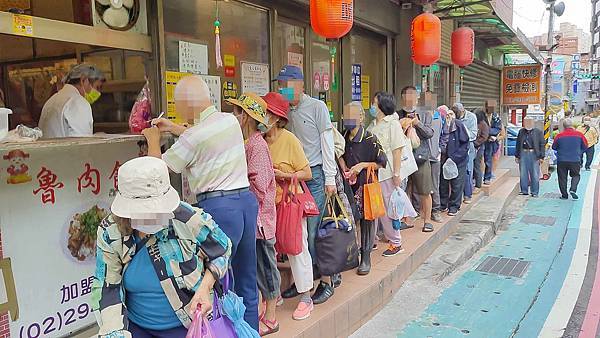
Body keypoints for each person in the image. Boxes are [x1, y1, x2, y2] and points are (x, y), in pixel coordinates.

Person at [143, 75, 259, 330]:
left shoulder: (193, 138)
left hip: (219, 208)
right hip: (246, 204)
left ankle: (220, 333)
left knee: (213, 281)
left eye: (177, 103)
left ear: (187, 103)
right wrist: (173, 128)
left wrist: (153, 139)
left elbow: (157, 170)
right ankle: (249, 333)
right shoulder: (229, 121)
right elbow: (202, 137)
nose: (177, 109)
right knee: (247, 279)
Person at [92, 157, 232, 338]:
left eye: (156, 211)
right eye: (143, 212)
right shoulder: (110, 231)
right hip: (136, 327)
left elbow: (223, 249)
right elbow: (106, 286)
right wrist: (115, 332)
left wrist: (205, 287)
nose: (151, 217)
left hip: (188, 325)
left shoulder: (189, 219)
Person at [275, 65, 337, 305]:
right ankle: (303, 283)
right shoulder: (284, 111)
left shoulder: (317, 107)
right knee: (295, 233)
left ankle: (327, 281)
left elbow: (327, 142)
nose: (283, 89)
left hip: (316, 176)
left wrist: (330, 179)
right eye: (280, 85)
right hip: (292, 180)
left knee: (314, 231)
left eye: (286, 84)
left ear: (299, 84)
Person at [227, 93, 280, 335]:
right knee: (258, 267)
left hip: (260, 220)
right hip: (254, 218)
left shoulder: (256, 146)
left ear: (247, 117)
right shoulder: (249, 143)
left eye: (238, 112)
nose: (235, 116)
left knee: (266, 268)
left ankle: (271, 315)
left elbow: (259, 185)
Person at [262, 92, 315, 321]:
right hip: (268, 205)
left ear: (276, 117)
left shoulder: (289, 139)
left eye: (265, 113)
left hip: (291, 203)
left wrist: (284, 174)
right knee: (269, 250)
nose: (261, 117)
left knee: (296, 247)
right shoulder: (258, 140)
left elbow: (307, 172)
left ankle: (306, 297)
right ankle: (275, 295)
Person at [338, 102, 387, 275]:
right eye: (346, 114)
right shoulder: (342, 136)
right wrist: (343, 165)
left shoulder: (370, 139)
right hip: (348, 185)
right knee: (349, 219)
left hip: (365, 185)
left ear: (361, 117)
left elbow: (382, 162)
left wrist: (362, 166)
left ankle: (366, 257)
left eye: (353, 115)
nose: (348, 118)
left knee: (367, 221)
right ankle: (351, 255)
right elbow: (340, 154)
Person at [367, 91, 409, 256]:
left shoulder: (392, 124)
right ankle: (373, 240)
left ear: (382, 105)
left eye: (374, 103)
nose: (372, 106)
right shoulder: (372, 125)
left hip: (387, 174)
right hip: (373, 173)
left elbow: (397, 150)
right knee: (375, 208)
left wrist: (396, 173)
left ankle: (396, 242)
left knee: (388, 210)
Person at [398, 86, 435, 233]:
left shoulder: (425, 113)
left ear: (417, 98)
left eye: (413, 95)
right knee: (403, 190)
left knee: (425, 190)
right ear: (402, 97)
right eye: (407, 95)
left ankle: (427, 220)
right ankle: (405, 219)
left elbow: (430, 133)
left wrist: (417, 123)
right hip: (403, 158)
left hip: (421, 157)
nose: (410, 98)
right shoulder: (397, 114)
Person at [39, 63, 105, 138]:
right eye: (97, 87)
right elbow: (82, 144)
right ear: (84, 80)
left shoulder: (52, 99)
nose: (98, 92)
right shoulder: (78, 103)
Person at [439, 108, 470, 216]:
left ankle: (454, 206)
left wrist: (455, 157)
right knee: (443, 183)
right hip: (443, 158)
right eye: (446, 115)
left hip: (458, 159)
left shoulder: (458, 125)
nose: (448, 117)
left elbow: (465, 144)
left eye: (450, 114)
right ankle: (443, 204)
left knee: (457, 183)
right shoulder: (441, 125)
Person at [552, 118, 588, 200]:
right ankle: (573, 189)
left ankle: (564, 195)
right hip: (575, 159)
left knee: (562, 177)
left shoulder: (559, 136)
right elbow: (586, 146)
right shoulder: (579, 135)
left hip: (562, 160)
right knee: (575, 175)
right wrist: (579, 152)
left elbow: (554, 147)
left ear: (564, 126)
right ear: (572, 125)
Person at [453, 103, 478, 205]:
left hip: (468, 145)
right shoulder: (453, 117)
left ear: (463, 111)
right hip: (455, 145)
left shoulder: (471, 117)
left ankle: (468, 194)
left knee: (468, 170)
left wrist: (462, 129)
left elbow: (473, 134)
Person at [515, 117, 545, 197]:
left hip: (534, 154)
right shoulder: (521, 131)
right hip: (523, 153)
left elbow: (542, 144)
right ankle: (524, 190)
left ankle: (534, 192)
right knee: (523, 173)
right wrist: (517, 155)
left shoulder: (538, 132)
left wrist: (542, 156)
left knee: (535, 174)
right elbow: (518, 143)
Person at [483, 100, 503, 185]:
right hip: (481, 140)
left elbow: (498, 128)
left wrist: (492, 135)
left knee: (488, 159)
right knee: (478, 160)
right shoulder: (480, 115)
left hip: (491, 140)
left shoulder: (496, 116)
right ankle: (476, 177)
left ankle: (487, 177)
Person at [473, 109, 489, 193]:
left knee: (477, 165)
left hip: (479, 147)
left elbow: (484, 137)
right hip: (472, 147)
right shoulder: (474, 122)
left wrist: (475, 143)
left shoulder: (483, 124)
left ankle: (478, 185)